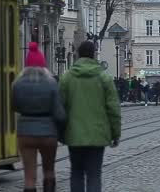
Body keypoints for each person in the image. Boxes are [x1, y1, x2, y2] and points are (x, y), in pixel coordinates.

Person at [59, 41, 121, 192]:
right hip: (97, 135)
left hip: (74, 135)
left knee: (76, 173)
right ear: (94, 54)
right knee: (94, 175)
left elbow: (59, 107)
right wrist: (115, 133)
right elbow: (113, 109)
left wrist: (61, 133)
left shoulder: (67, 78)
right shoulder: (104, 78)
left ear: (78, 54)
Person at [12, 44, 64, 192]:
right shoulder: (51, 83)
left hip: (25, 132)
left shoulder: (17, 84)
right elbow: (59, 113)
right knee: (49, 170)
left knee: (29, 176)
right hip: (48, 133)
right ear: (43, 66)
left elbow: (14, 106)